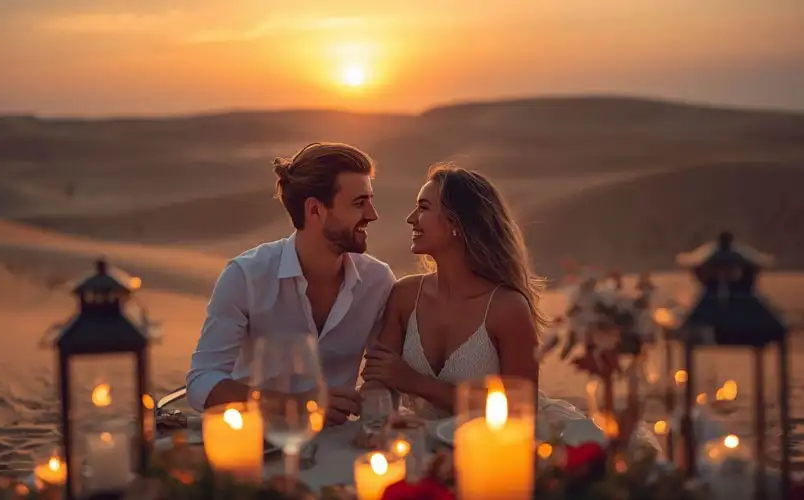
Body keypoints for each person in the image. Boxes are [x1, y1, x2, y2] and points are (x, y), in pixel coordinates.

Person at [361, 164, 613, 445]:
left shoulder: (507, 308)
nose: (411, 219)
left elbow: (520, 408)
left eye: (423, 208)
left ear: (456, 223)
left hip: (497, 445)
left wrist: (416, 383)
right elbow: (378, 379)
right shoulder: (405, 295)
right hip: (419, 439)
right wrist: (375, 416)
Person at [186, 142, 396, 426]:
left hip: (340, 442)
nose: (373, 214)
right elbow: (202, 380)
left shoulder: (378, 281)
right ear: (315, 210)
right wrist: (295, 405)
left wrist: (372, 403)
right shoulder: (246, 276)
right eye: (359, 203)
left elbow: (382, 374)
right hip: (261, 438)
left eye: (370, 200)